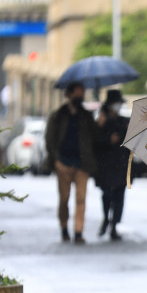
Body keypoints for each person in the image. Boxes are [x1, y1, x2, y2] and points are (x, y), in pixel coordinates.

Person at [45, 82, 97, 244]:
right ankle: (64, 227)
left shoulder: (86, 116)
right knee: (64, 198)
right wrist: (57, 160)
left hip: (82, 164)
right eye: (77, 93)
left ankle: (78, 231)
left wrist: (100, 124)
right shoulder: (58, 115)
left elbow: (94, 137)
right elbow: (50, 139)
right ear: (69, 94)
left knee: (81, 199)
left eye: (82, 93)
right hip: (64, 163)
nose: (80, 97)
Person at [95, 89, 130, 241]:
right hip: (105, 165)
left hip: (121, 164)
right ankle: (106, 218)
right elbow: (94, 142)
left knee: (119, 196)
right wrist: (107, 139)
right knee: (107, 195)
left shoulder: (124, 121)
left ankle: (114, 225)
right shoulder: (101, 121)